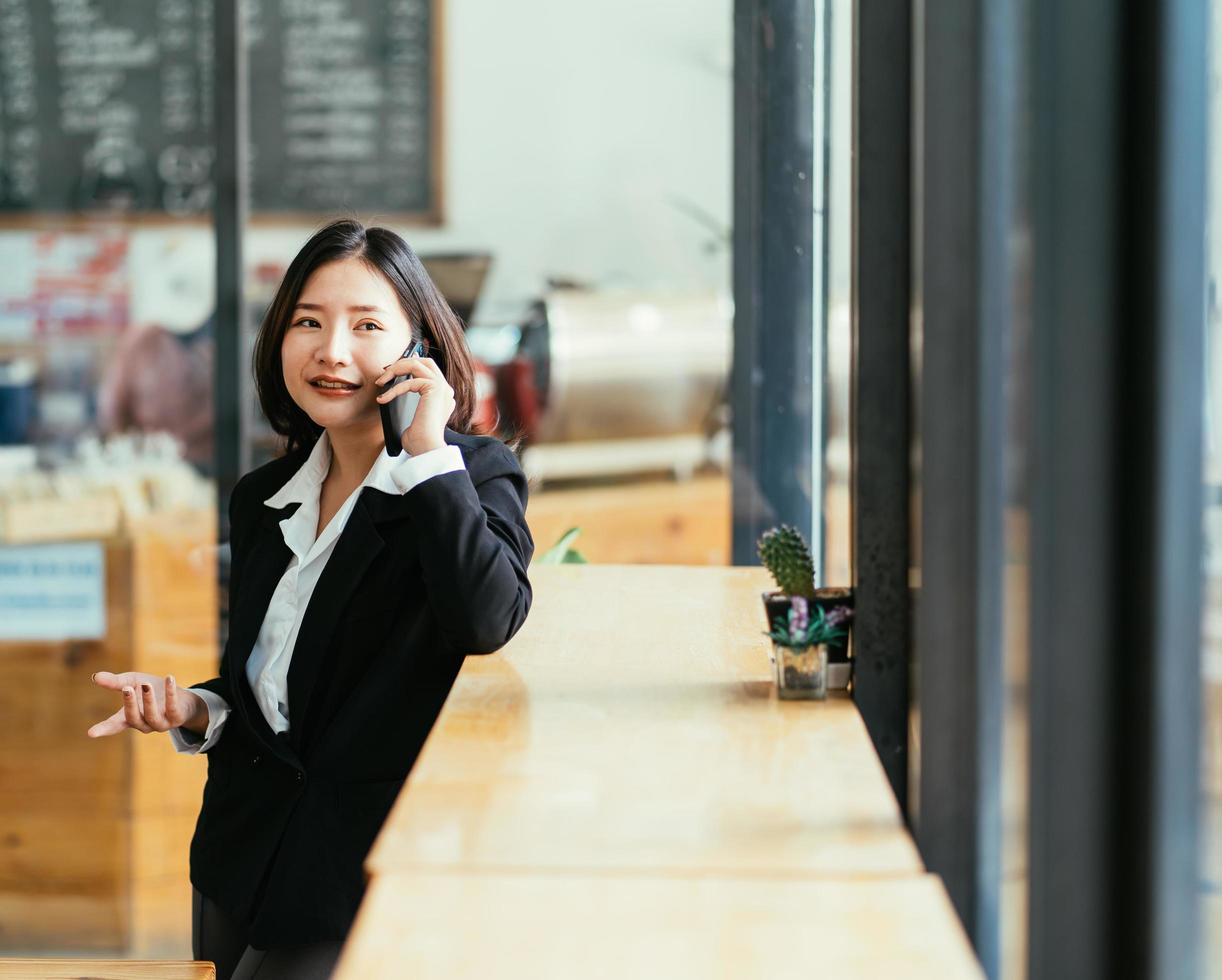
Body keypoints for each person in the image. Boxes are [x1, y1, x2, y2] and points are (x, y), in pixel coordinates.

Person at [86, 220, 534, 979]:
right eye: (308, 322)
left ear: (416, 349)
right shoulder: (263, 498)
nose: (331, 351)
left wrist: (427, 453)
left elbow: (487, 619)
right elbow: (277, 688)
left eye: (366, 326)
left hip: (357, 872)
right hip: (239, 859)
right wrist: (193, 709)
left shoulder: (466, 476)